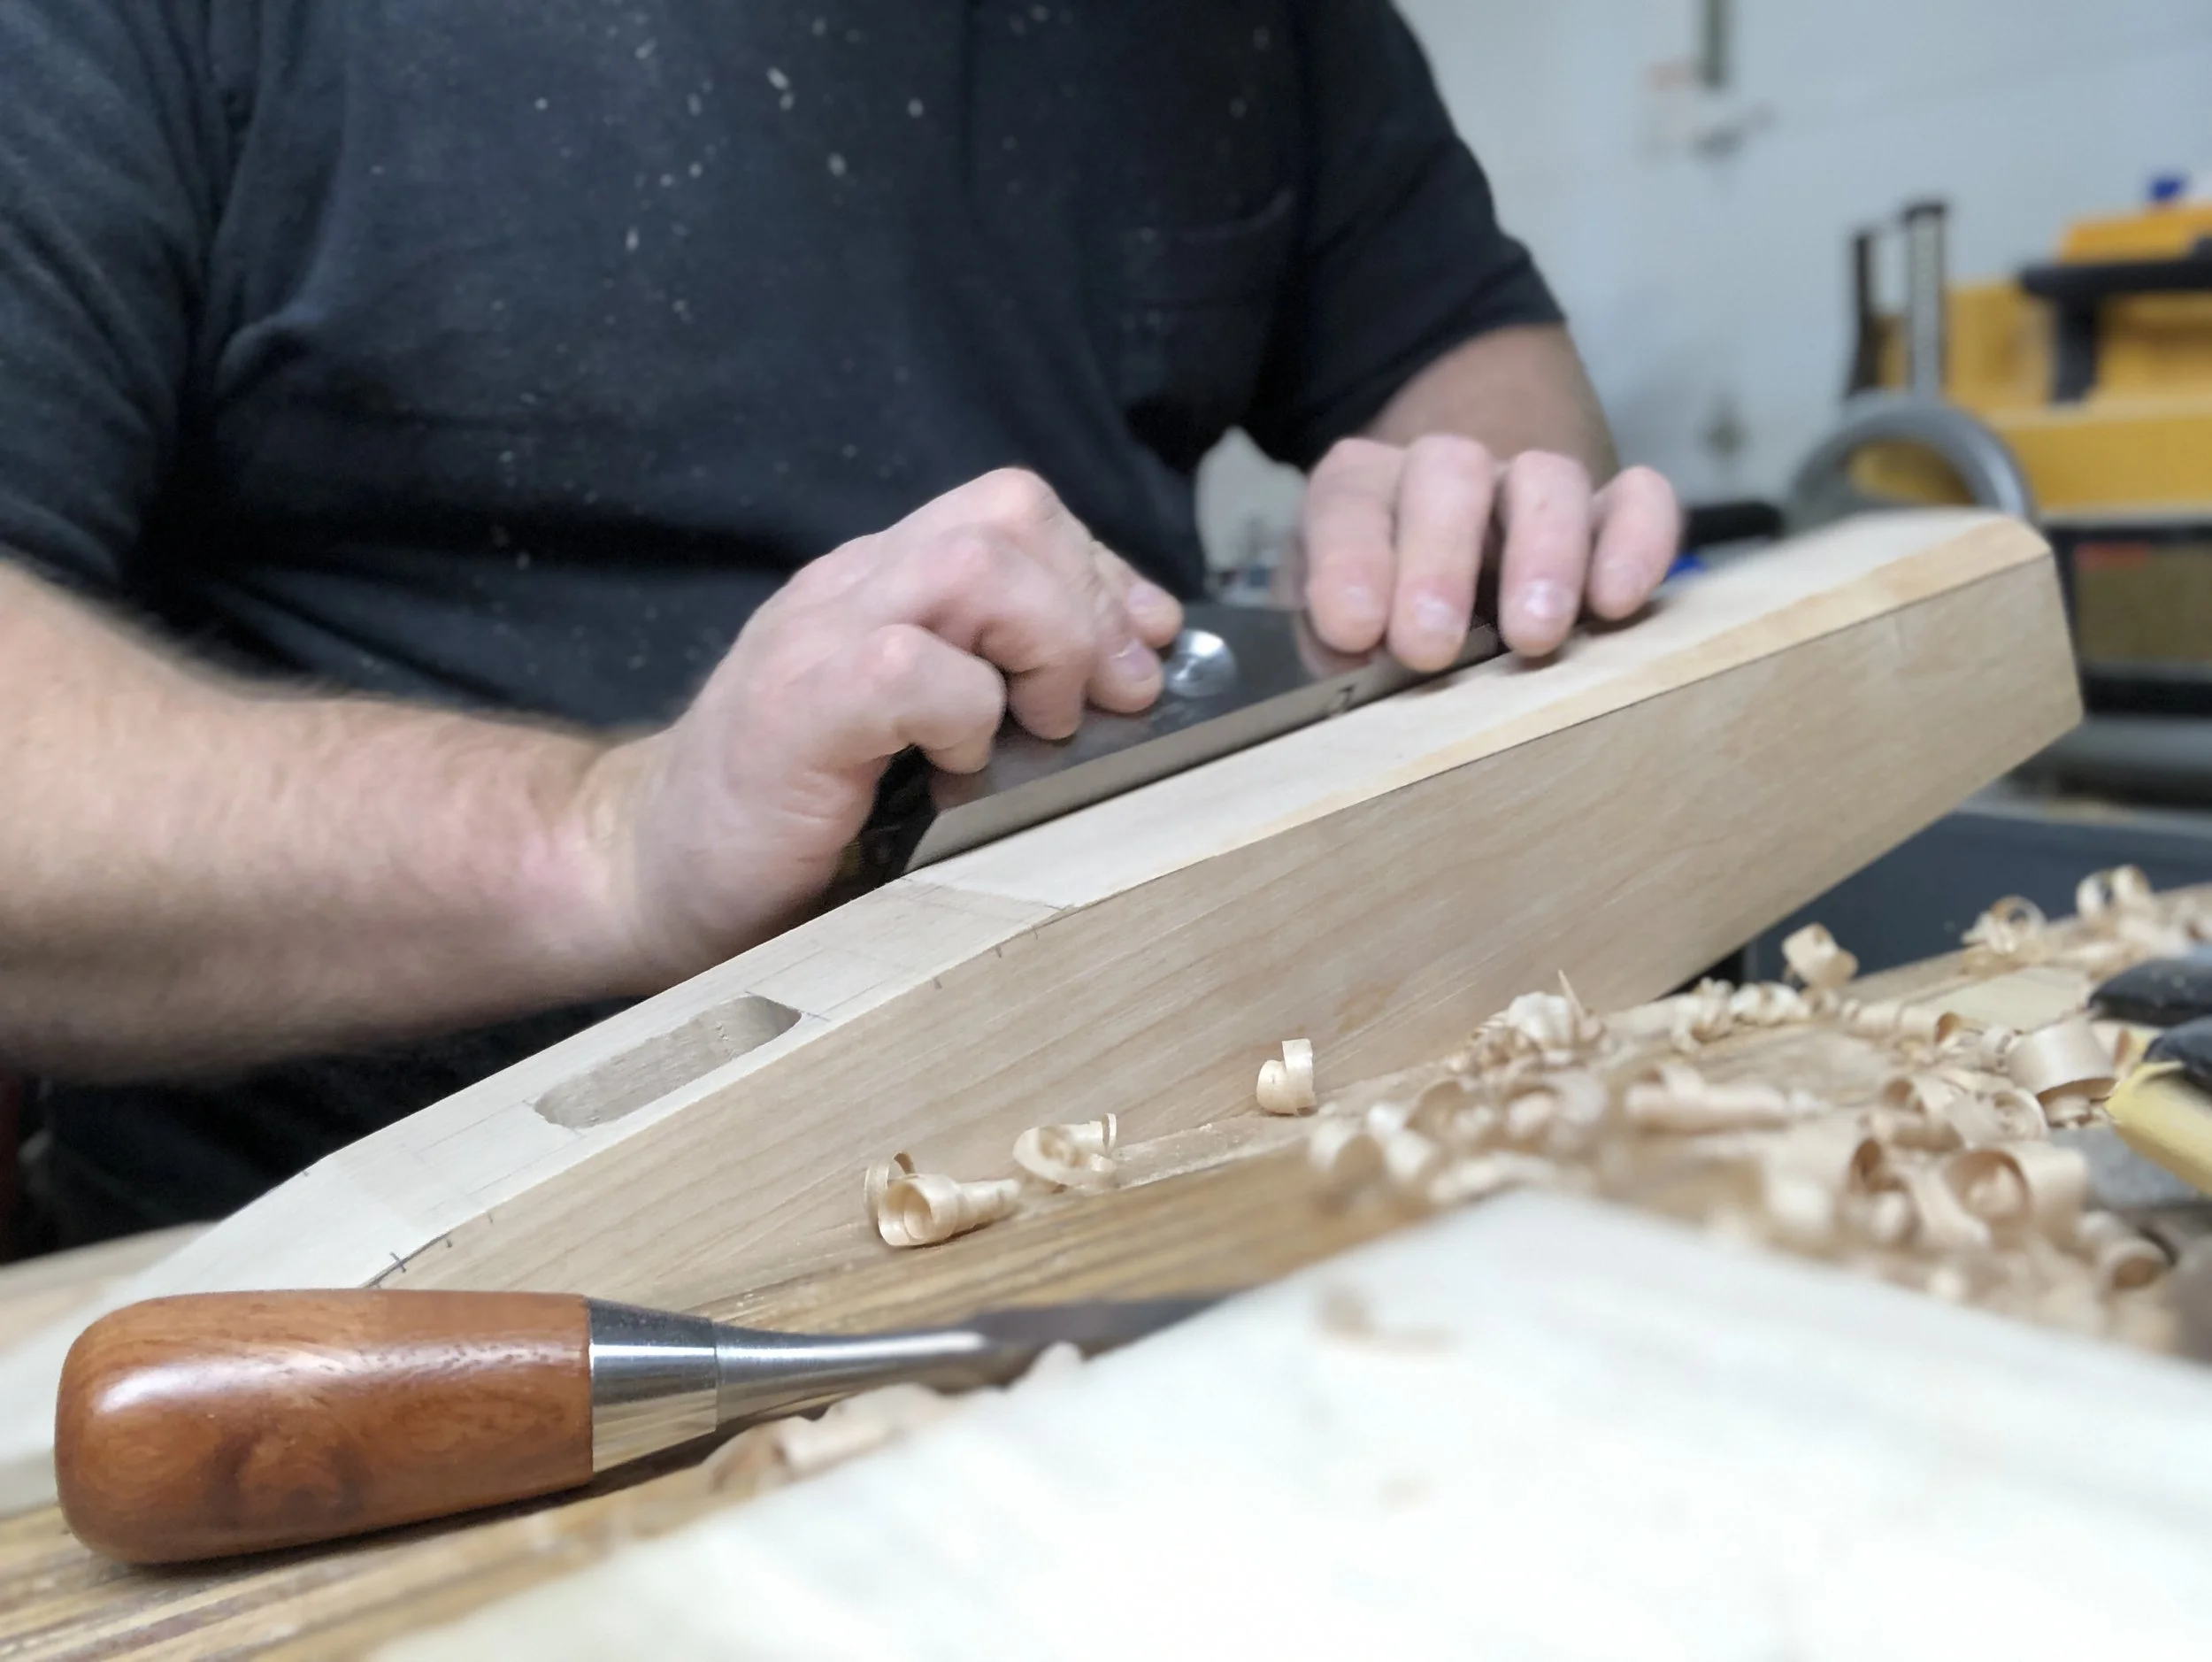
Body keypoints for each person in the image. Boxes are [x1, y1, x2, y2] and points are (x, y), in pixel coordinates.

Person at [0, 0, 1679, 1245]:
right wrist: (606, 841)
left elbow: (1474, 359)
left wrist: (1467, 522)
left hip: (1145, 1171)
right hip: (405, 1322)